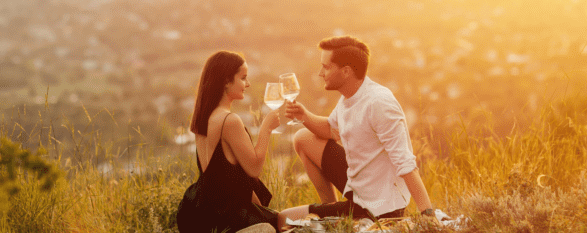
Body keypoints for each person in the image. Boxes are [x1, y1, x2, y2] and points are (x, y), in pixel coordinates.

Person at [279, 36, 436, 222]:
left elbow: (405, 162)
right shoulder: (350, 95)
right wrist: (304, 116)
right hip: (359, 184)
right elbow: (331, 130)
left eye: (326, 67)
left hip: (376, 207)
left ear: (346, 72)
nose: (321, 72)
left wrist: (427, 213)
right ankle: (330, 208)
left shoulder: (379, 103)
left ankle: (332, 218)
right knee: (303, 137)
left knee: (284, 219)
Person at [177, 51, 284, 233]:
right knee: (278, 226)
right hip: (227, 217)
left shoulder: (203, 118)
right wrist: (266, 128)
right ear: (226, 81)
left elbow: (228, 179)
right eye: (243, 78)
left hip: (201, 212)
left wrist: (260, 212)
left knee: (281, 219)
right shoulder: (229, 120)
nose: (247, 84)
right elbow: (254, 168)